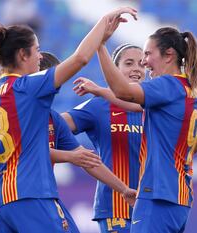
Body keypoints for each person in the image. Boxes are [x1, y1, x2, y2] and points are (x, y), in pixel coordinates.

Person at [0, 7, 137, 233]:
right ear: (22, 55)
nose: (39, 56)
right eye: (36, 50)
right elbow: (80, 58)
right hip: (28, 192)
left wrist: (123, 189)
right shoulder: (28, 87)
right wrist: (103, 23)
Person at [92, 26, 197, 232]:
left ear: (168, 55)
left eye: (147, 54)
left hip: (157, 195)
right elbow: (132, 103)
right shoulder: (188, 89)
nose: (144, 62)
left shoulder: (167, 85)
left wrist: (100, 46)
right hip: (178, 198)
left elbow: (123, 91)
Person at [62, 43, 145, 233]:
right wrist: (73, 153)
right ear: (113, 70)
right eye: (129, 63)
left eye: (141, 64)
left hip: (152, 207)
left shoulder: (154, 107)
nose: (136, 69)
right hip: (116, 207)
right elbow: (55, 126)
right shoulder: (98, 106)